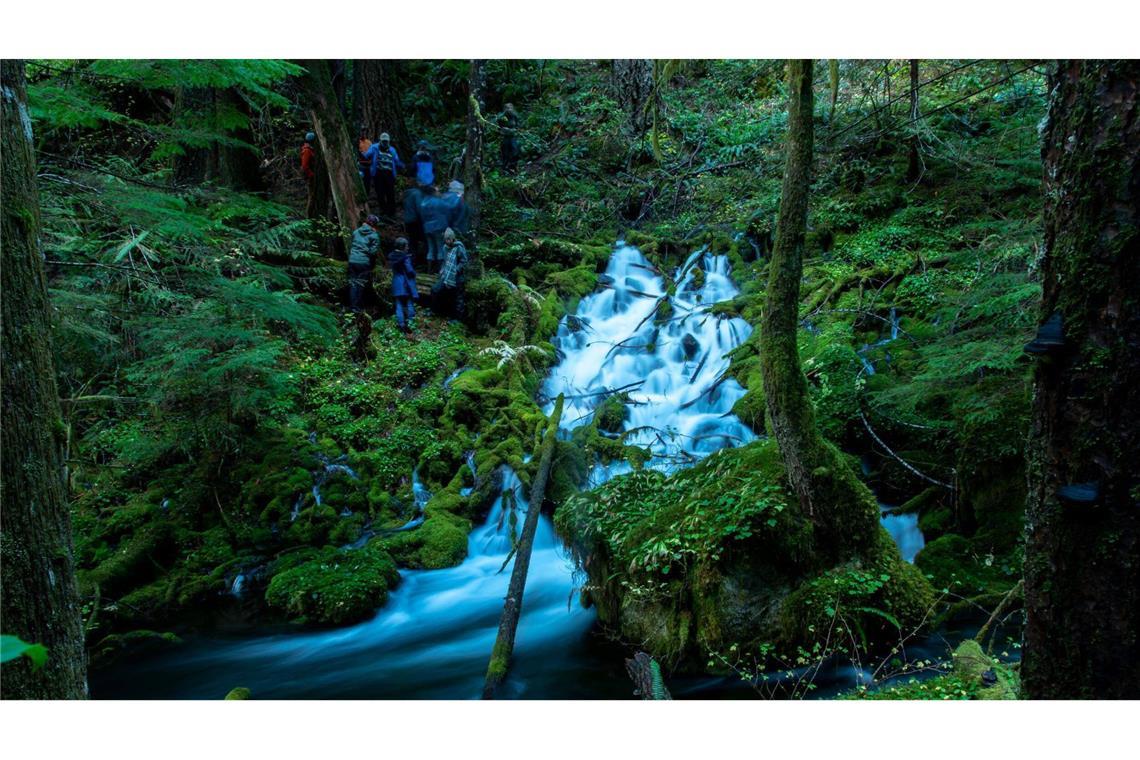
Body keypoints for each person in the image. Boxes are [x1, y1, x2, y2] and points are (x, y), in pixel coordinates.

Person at [347, 214, 381, 312]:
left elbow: (352, 245)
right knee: (360, 284)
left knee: (353, 283)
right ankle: (357, 307)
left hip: (352, 260)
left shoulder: (356, 232)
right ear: (374, 225)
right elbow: (373, 252)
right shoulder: (374, 235)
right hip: (363, 262)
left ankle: (353, 306)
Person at [434, 228, 468, 320]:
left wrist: (456, 270)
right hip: (446, 275)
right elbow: (445, 261)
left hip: (457, 276)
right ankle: (436, 311)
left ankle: (457, 319)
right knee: (435, 290)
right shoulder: (445, 247)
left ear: (453, 238)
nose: (447, 241)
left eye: (449, 239)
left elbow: (464, 261)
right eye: (445, 239)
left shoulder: (459, 247)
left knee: (457, 298)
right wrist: (442, 269)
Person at [367, 132, 404, 217]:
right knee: (380, 193)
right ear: (380, 141)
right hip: (378, 174)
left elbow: (396, 160)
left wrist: (403, 166)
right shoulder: (374, 147)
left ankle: (391, 213)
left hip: (389, 174)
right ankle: (383, 211)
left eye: (386, 141)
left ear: (389, 141)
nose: (384, 143)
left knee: (390, 193)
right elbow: (367, 155)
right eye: (383, 141)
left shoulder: (392, 149)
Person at [387, 237, 417, 334]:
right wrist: (414, 274)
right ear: (402, 246)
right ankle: (411, 324)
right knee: (409, 303)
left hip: (396, 282)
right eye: (406, 246)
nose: (408, 247)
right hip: (405, 283)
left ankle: (401, 325)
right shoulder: (405, 258)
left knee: (398, 305)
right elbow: (410, 271)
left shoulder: (391, 256)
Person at [418, 186, 450, 274]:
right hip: (438, 227)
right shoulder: (438, 201)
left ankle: (429, 270)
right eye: (437, 191)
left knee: (430, 248)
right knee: (440, 248)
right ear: (433, 192)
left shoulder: (423, 202)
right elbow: (448, 208)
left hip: (427, 228)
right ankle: (440, 270)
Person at [402, 184, 426, 262]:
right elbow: (419, 208)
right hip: (415, 221)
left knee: (412, 241)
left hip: (407, 221)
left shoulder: (407, 195)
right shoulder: (417, 194)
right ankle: (421, 259)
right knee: (424, 239)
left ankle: (412, 260)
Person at [499, 103, 520, 173]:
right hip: (505, 136)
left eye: (510, 108)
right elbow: (498, 122)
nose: (509, 110)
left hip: (513, 136)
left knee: (515, 150)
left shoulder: (514, 116)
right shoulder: (503, 116)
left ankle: (513, 166)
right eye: (507, 108)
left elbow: (518, 126)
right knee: (505, 152)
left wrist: (515, 130)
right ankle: (505, 168)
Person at [300, 132, 317, 216]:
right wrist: (311, 175)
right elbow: (304, 165)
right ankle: (308, 216)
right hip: (309, 176)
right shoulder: (307, 150)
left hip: (310, 175)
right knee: (311, 196)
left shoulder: (309, 149)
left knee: (312, 195)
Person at [357, 128, 373, 193]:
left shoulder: (369, 142)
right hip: (361, 164)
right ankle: (362, 192)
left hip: (368, 164)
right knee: (361, 179)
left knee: (368, 180)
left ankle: (367, 193)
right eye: (362, 132)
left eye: (364, 132)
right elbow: (357, 152)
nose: (363, 134)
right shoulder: (358, 142)